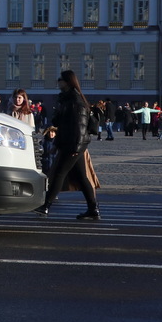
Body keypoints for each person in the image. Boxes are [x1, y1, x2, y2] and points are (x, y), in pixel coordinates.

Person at [33, 70, 100, 220]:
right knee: (82, 177)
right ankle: (93, 208)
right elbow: (60, 121)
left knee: (59, 174)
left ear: (68, 82)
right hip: (72, 143)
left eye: (60, 80)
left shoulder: (76, 101)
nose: (58, 82)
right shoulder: (67, 99)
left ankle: (45, 206)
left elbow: (80, 127)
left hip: (73, 144)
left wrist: (75, 147)